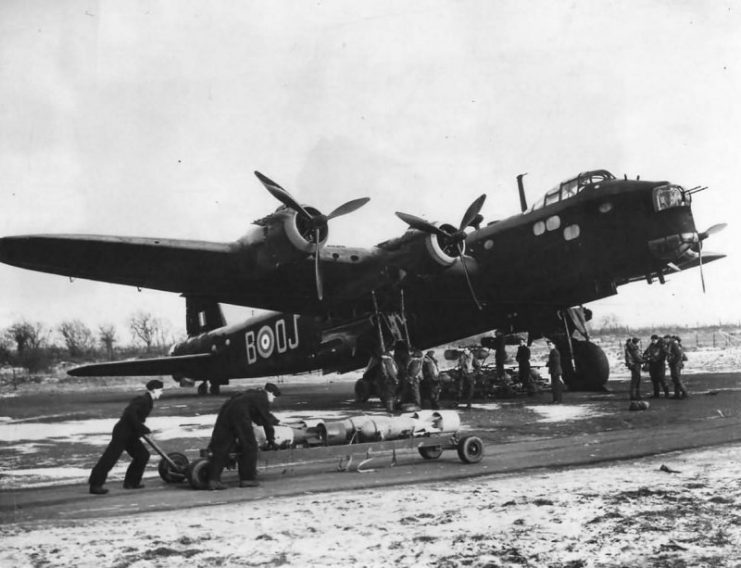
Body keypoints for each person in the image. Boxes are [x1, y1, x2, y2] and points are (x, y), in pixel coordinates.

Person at [88, 379, 164, 495]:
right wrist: (141, 428)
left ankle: (131, 483)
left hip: (131, 433)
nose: (162, 393)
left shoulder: (148, 401)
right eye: (160, 390)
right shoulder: (142, 400)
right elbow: (129, 413)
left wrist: (139, 428)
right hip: (122, 432)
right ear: (154, 390)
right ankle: (95, 485)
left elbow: (136, 418)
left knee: (142, 455)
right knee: (110, 458)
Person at [207, 383, 282, 490]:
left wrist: (271, 421)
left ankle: (213, 480)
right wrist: (271, 439)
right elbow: (266, 421)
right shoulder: (262, 397)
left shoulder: (250, 394)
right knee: (250, 446)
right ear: (269, 392)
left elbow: (257, 416)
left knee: (222, 447)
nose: (273, 400)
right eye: (274, 397)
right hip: (240, 416)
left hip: (226, 412)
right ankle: (248, 479)